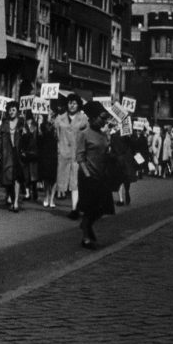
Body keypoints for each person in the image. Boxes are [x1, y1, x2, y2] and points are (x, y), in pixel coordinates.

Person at [75, 102, 115, 249]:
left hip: (101, 176)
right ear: (92, 118)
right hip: (88, 176)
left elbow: (106, 152)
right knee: (90, 208)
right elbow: (80, 157)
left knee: (102, 208)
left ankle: (86, 225)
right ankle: (85, 237)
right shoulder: (84, 134)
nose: (103, 121)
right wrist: (87, 175)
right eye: (101, 117)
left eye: (105, 118)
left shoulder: (103, 134)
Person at [53, 94, 87, 218]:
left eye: (74, 103)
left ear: (78, 105)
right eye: (69, 103)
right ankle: (76, 206)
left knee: (75, 183)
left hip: (77, 154)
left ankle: (74, 209)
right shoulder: (59, 119)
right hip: (63, 154)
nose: (72, 105)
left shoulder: (83, 119)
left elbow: (86, 136)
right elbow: (55, 135)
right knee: (63, 181)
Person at [0, 100, 26, 212]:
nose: (11, 112)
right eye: (10, 110)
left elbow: (29, 136)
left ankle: (16, 202)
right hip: (7, 154)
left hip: (18, 154)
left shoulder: (22, 123)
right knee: (8, 177)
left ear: (17, 111)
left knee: (17, 177)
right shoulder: (4, 124)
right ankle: (10, 196)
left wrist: (26, 132)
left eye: (14, 110)